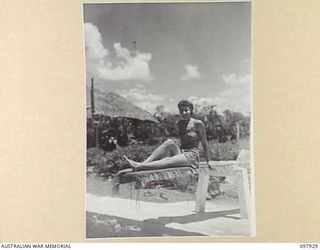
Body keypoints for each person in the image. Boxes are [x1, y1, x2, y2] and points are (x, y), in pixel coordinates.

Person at [122, 100, 211, 171]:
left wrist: (208, 161)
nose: (183, 113)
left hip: (193, 156)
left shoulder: (198, 123)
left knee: (168, 160)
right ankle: (143, 163)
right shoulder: (179, 123)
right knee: (169, 142)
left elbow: (204, 142)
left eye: (186, 110)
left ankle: (139, 166)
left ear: (191, 110)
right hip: (182, 153)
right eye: (181, 111)